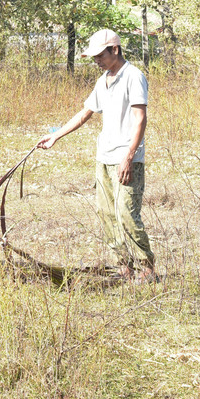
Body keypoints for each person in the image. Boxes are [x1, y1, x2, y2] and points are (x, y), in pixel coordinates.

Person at [36, 29, 157, 283]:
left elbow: (140, 119)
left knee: (126, 213)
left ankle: (147, 268)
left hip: (126, 159)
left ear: (115, 50)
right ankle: (124, 265)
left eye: (100, 55)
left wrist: (128, 157)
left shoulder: (133, 77)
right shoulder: (103, 79)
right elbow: (85, 113)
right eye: (93, 57)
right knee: (106, 212)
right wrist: (56, 136)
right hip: (104, 156)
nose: (96, 61)